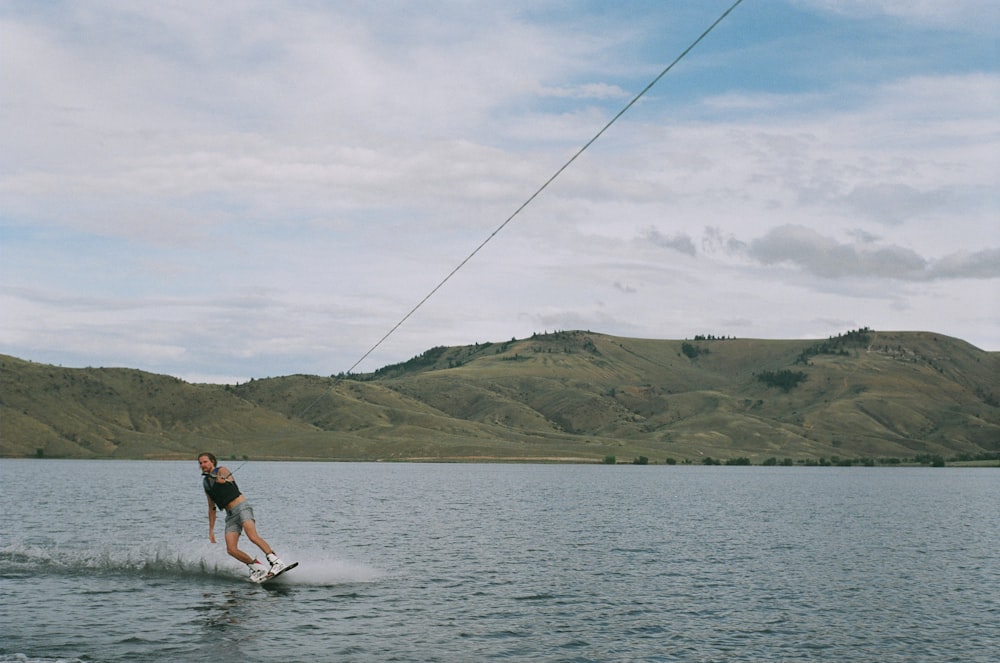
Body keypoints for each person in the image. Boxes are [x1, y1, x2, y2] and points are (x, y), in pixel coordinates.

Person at [198, 452, 288, 582]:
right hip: (230, 516)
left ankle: (276, 561)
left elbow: (226, 479)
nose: (202, 465)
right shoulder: (205, 483)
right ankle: (257, 567)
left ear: (212, 461)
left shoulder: (221, 470)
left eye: (205, 462)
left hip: (241, 507)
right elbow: (211, 507)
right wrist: (211, 530)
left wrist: (220, 479)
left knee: (252, 536)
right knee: (231, 549)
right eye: (200, 463)